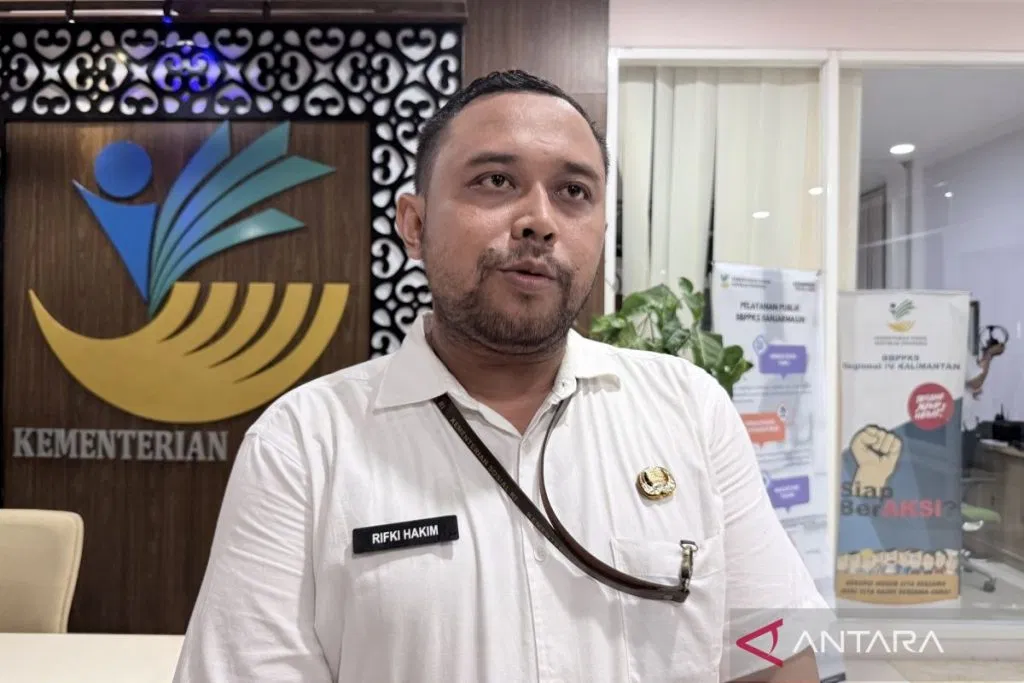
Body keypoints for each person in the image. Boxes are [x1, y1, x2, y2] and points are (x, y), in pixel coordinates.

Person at [172, 70, 826, 683]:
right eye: (495, 180)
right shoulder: (303, 446)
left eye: (573, 192)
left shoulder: (689, 410)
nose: (539, 219)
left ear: (600, 230)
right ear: (415, 225)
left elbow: (776, 655)